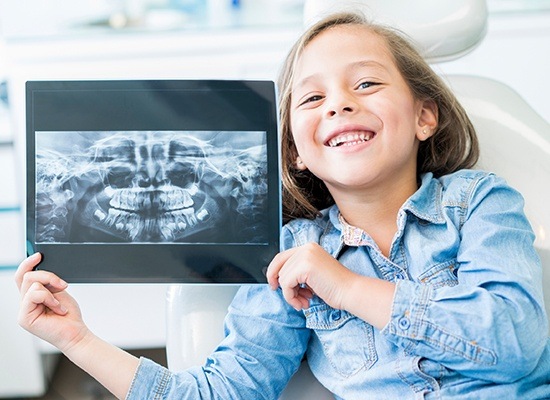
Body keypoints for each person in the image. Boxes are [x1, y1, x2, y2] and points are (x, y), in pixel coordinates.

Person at [15, 11, 550, 399]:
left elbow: (516, 340)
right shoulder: (292, 255)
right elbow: (220, 395)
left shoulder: (480, 203)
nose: (340, 102)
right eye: (313, 98)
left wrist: (346, 286)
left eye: (366, 83)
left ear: (424, 117)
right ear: (294, 150)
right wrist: (76, 339)